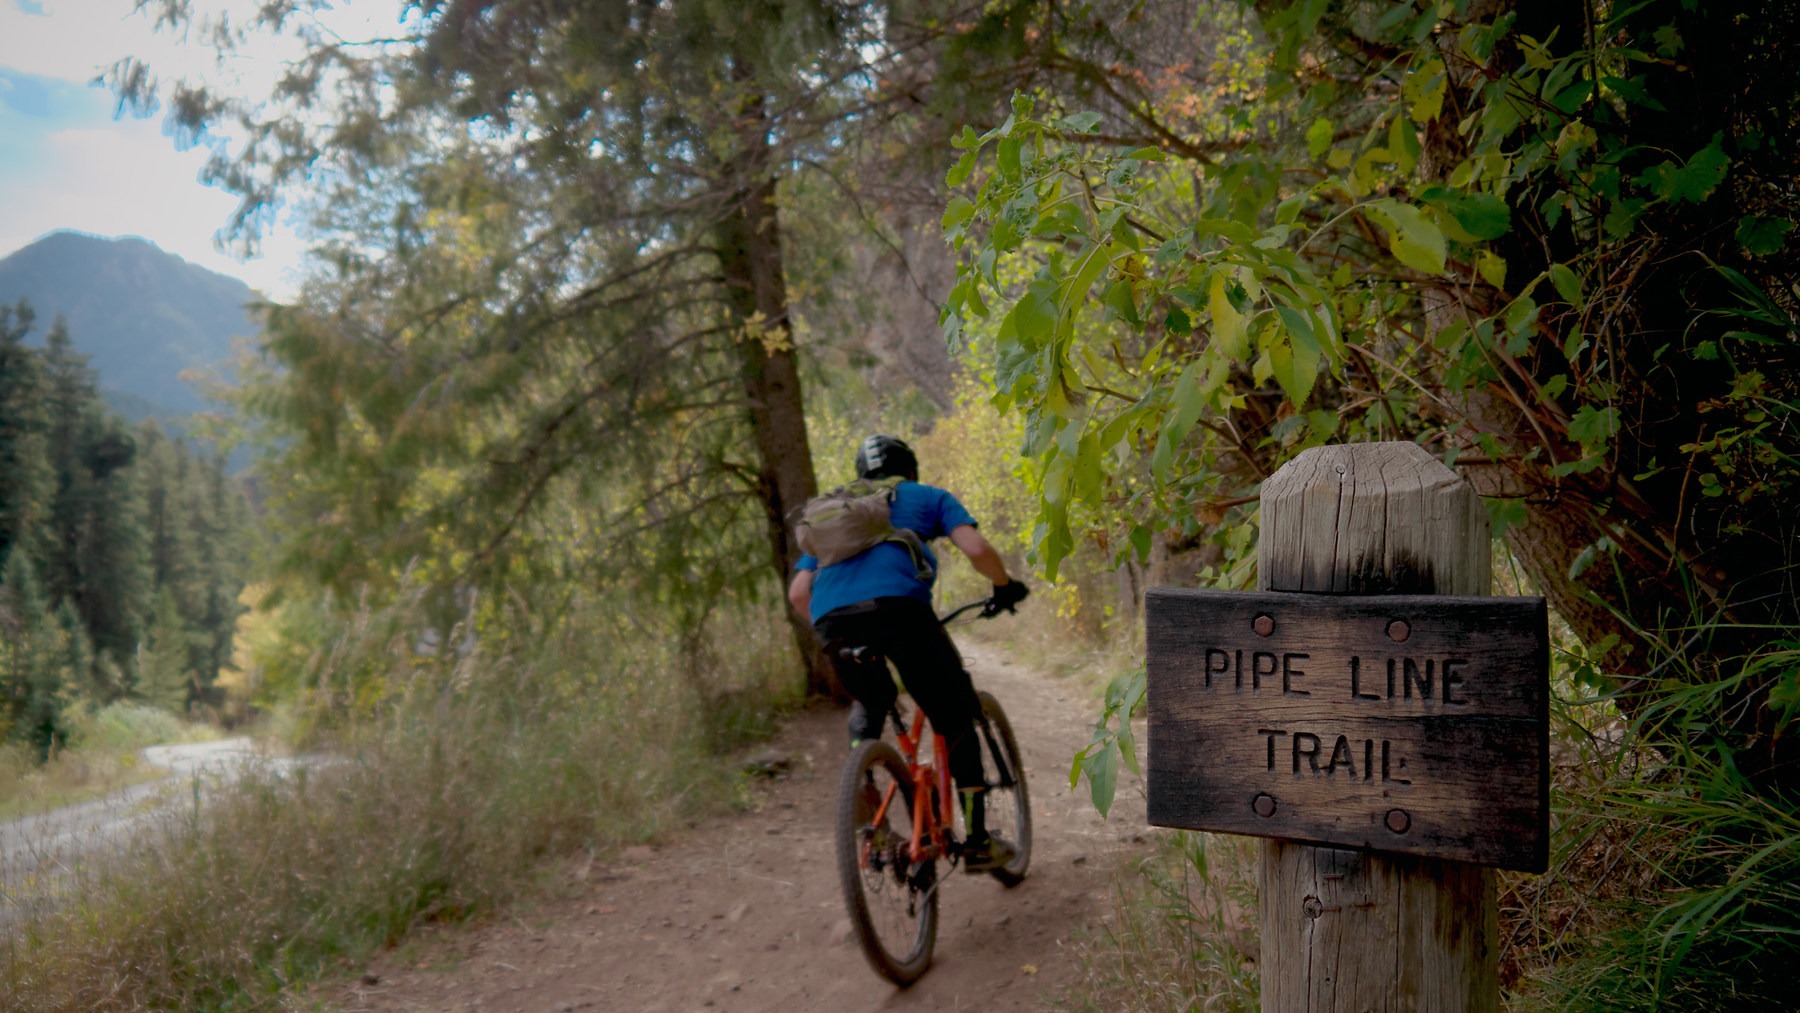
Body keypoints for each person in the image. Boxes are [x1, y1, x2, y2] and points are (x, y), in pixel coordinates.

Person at [787, 434, 1029, 870]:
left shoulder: (840, 509)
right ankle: (977, 841)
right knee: (954, 715)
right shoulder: (926, 496)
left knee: (868, 706)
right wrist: (1003, 586)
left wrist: (833, 630)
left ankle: (870, 819)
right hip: (901, 612)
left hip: (832, 621)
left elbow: (799, 593)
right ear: (910, 468)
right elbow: (976, 549)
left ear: (862, 474)